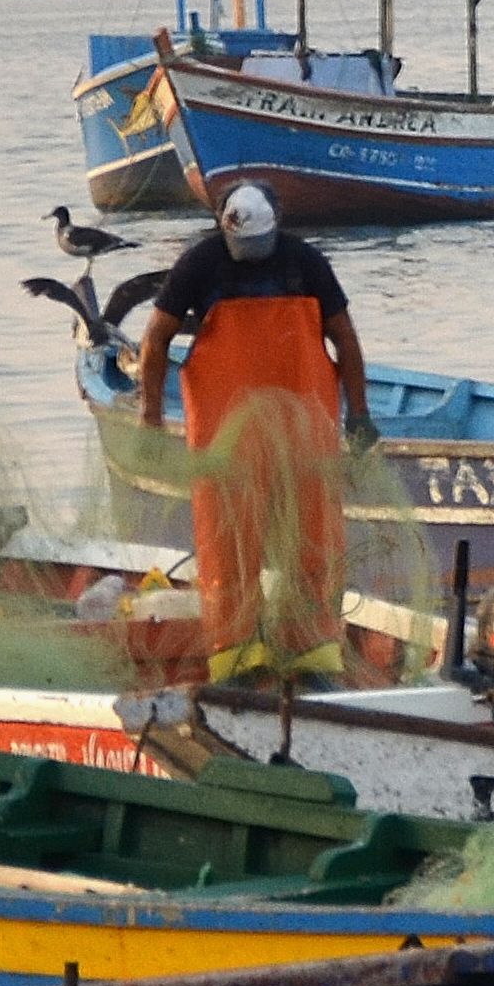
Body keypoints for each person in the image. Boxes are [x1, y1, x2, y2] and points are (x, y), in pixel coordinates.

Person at [133, 182, 375, 683]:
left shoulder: (305, 262)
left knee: (312, 535)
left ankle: (312, 653)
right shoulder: (200, 264)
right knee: (229, 541)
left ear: (279, 218)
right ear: (221, 223)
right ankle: (236, 654)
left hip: (303, 431)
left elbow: (345, 338)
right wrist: (150, 418)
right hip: (227, 437)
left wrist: (359, 415)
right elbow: (155, 340)